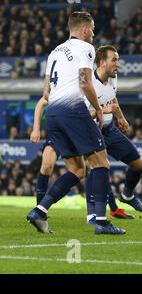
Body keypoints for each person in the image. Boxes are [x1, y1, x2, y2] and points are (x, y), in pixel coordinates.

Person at [26, 12, 125, 235]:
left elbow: (46, 91)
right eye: (92, 29)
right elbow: (85, 83)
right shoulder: (85, 48)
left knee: (78, 170)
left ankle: (40, 211)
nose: (93, 33)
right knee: (101, 164)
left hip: (53, 113)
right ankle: (101, 221)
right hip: (73, 110)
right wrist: (98, 109)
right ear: (83, 30)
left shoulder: (54, 52)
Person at [30, 102, 135, 221]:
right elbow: (42, 102)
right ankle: (40, 209)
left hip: (75, 129)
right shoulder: (69, 88)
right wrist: (36, 129)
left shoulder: (85, 90)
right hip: (63, 128)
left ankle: (107, 210)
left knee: (93, 167)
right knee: (47, 166)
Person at [84, 45, 142, 225]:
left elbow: (112, 97)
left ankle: (127, 195)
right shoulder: (89, 84)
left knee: (139, 165)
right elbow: (80, 113)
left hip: (110, 128)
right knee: (97, 168)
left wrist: (120, 117)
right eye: (115, 60)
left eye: (118, 60)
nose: (118, 64)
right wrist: (103, 110)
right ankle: (92, 214)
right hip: (91, 130)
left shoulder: (113, 77)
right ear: (102, 62)